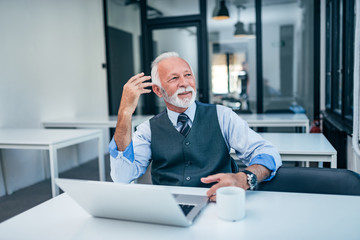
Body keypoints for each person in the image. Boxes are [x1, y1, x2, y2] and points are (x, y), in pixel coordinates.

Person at [109, 52, 282, 201]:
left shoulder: (223, 116)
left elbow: (267, 153)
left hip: (218, 203)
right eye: (174, 78)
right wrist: (124, 113)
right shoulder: (148, 129)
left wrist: (244, 178)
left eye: (188, 75)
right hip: (169, 208)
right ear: (158, 90)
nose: (184, 83)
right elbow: (122, 177)